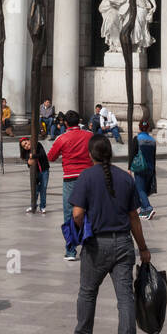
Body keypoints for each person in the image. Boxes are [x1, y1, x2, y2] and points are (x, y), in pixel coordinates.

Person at [61, 133, 151, 334]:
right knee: (125, 299)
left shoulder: (86, 177)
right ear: (110, 153)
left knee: (88, 293)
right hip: (123, 244)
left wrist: (80, 231)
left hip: (96, 245)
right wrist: (143, 248)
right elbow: (134, 218)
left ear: (90, 154)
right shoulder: (125, 178)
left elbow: (77, 214)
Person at [48, 111, 93, 260]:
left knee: (69, 213)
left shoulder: (62, 138)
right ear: (79, 121)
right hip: (87, 177)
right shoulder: (89, 135)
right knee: (89, 211)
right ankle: (90, 246)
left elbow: (51, 157)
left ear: (65, 123)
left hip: (70, 178)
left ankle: (71, 250)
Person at [128, 119, 158, 219]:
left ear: (140, 127)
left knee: (140, 189)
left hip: (140, 168)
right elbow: (153, 156)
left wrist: (129, 168)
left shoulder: (137, 139)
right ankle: (143, 210)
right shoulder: (152, 140)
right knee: (143, 189)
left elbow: (132, 154)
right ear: (148, 128)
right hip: (150, 168)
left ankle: (148, 208)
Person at [20, 135, 50, 212]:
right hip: (35, 173)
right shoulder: (26, 153)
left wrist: (33, 156)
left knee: (43, 189)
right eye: (24, 146)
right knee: (35, 190)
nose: (26, 146)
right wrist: (30, 160)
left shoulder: (38, 145)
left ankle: (42, 206)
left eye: (26, 143)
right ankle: (33, 205)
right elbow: (29, 164)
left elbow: (42, 155)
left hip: (44, 170)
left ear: (29, 140)